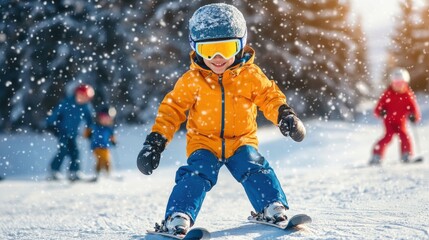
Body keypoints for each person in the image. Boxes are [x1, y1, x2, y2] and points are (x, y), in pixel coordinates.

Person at [136, 3, 306, 235]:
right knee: (197, 173)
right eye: (208, 51)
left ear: (241, 45)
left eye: (226, 48)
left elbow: (269, 97)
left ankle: (270, 206)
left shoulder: (250, 76)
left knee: (255, 166)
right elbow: (172, 110)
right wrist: (155, 142)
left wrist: (285, 115)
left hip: (241, 141)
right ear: (195, 48)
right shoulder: (192, 80)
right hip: (204, 142)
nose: (217, 58)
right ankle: (178, 215)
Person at [369, 68, 421, 165]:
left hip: (401, 122)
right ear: (392, 83)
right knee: (388, 137)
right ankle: (376, 155)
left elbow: (414, 109)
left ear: (405, 83)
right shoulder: (387, 94)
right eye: (396, 83)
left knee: (404, 136)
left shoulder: (408, 95)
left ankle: (406, 155)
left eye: (400, 83)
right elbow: (378, 108)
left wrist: (414, 116)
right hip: (389, 121)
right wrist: (381, 111)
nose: (398, 86)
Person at [46, 84, 94, 181]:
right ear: (76, 94)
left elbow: (90, 119)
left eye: (85, 97)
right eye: (80, 95)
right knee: (63, 150)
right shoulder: (67, 102)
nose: (82, 99)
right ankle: (54, 170)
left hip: (73, 133)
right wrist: (50, 124)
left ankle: (74, 172)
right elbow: (55, 113)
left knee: (75, 152)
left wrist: (90, 130)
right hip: (62, 131)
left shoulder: (86, 107)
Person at [84, 107, 117, 182]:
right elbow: (87, 132)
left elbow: (112, 136)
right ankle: (97, 173)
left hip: (105, 147)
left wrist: (113, 141)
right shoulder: (95, 126)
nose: (106, 121)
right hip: (97, 147)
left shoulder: (109, 128)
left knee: (107, 160)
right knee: (101, 160)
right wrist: (88, 134)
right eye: (104, 118)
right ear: (99, 118)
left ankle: (108, 173)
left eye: (108, 119)